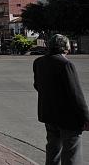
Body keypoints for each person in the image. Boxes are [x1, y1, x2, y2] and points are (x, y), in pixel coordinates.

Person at [33, 34, 89, 165]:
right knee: (71, 152)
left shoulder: (39, 62)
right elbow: (75, 94)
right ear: (66, 48)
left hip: (49, 114)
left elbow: (37, 85)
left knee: (53, 149)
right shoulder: (66, 64)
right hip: (68, 118)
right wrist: (86, 117)